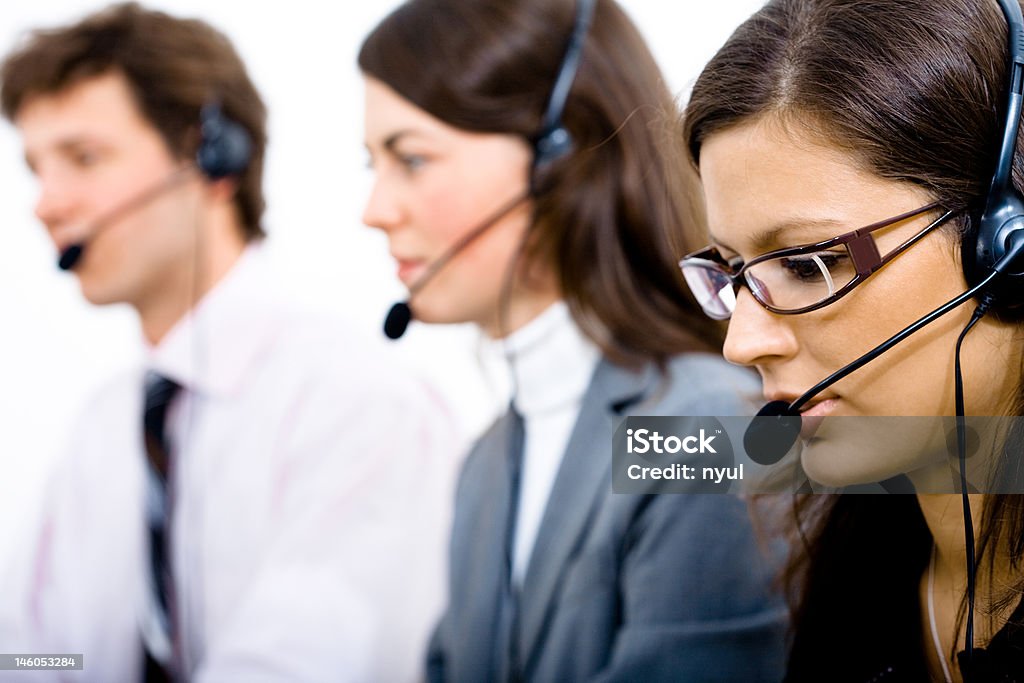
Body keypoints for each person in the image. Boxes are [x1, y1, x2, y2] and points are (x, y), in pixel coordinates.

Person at [0, 3, 459, 681]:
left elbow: (304, 663)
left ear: (215, 159)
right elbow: (41, 651)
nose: (46, 202)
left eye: (83, 157)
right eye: (37, 168)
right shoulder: (100, 431)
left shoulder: (357, 407)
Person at [359, 0, 789, 680]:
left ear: (557, 161)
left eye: (411, 159)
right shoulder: (486, 464)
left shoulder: (710, 430)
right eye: (371, 164)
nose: (374, 210)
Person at [679, 0, 1024, 680]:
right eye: (733, 271)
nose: (741, 345)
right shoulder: (856, 572)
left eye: (808, 264)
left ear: (1003, 251)